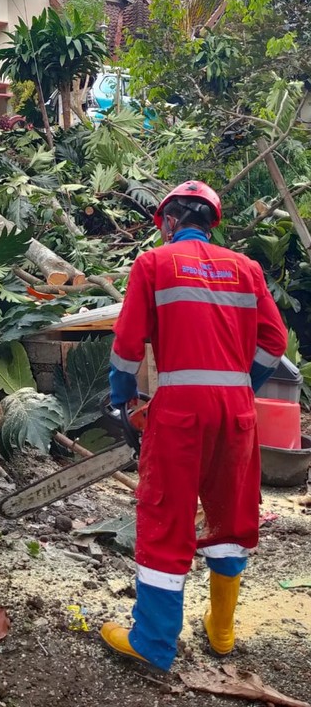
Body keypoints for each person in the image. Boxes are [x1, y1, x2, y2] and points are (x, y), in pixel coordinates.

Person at [100, 180, 288, 671]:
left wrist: (122, 400)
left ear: (168, 223)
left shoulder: (154, 264)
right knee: (231, 513)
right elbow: (275, 339)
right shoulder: (246, 269)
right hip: (238, 409)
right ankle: (221, 631)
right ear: (212, 224)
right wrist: (244, 382)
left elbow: (126, 345)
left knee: (166, 517)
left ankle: (154, 642)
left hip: (181, 410)